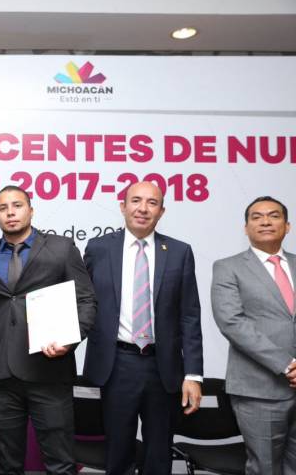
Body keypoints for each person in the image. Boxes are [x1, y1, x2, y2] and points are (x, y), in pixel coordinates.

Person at [0, 185, 97, 475]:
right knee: (8, 465)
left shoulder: (61, 248)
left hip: (49, 369)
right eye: (3, 208)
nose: (10, 213)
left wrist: (70, 340)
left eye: (17, 205)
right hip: (1, 376)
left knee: (60, 463)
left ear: (31, 210)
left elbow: (86, 301)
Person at [83, 181, 203, 475]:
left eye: (152, 202)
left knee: (159, 453)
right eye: (136, 200)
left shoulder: (179, 251)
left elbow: (189, 315)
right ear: (122, 206)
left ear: (162, 211)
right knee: (118, 451)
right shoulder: (99, 248)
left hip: (163, 367)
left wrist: (193, 374)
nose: (143, 208)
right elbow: (82, 301)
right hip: (117, 363)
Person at [212, 196, 296, 474]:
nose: (265, 222)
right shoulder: (228, 267)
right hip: (259, 389)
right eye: (256, 217)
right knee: (265, 467)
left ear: (287, 226)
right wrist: (288, 365)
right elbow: (232, 323)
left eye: (274, 215)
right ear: (246, 228)